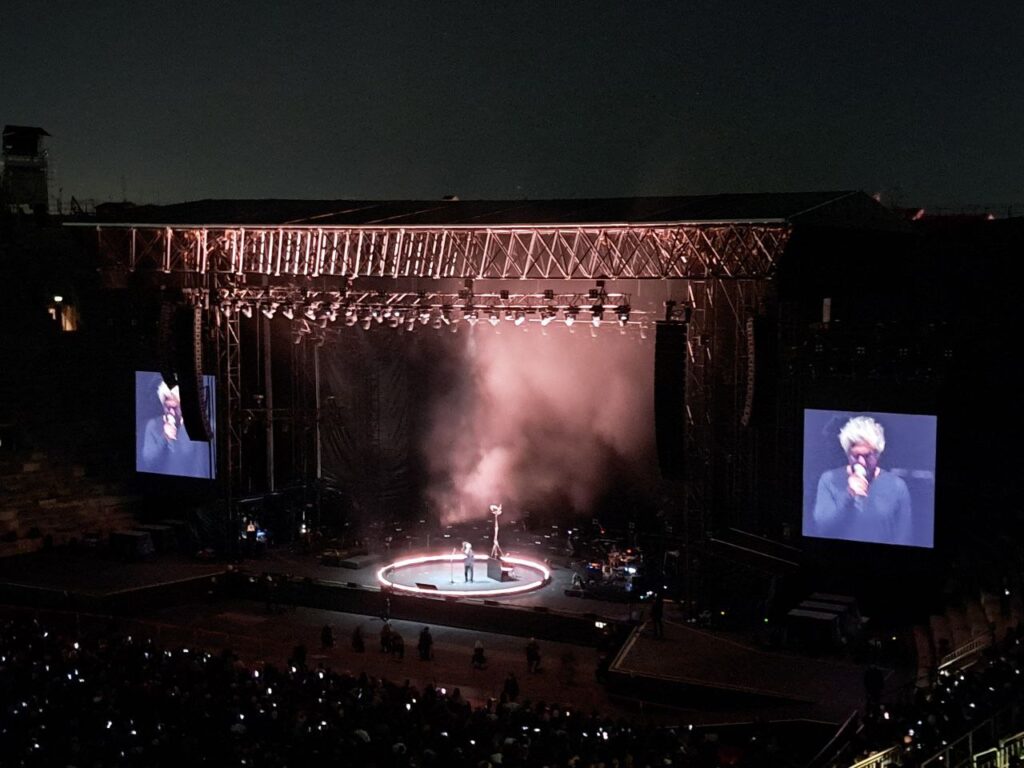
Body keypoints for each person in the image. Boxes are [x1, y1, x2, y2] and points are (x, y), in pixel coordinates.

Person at [811, 415, 913, 545]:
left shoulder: (897, 486)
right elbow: (822, 529)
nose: (861, 462)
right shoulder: (829, 480)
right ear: (848, 453)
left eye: (867, 456)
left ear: (877, 454)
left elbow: (903, 536)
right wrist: (849, 496)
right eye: (855, 456)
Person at [138, 377, 209, 478]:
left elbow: (201, 465)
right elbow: (148, 462)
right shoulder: (153, 425)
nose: (171, 411)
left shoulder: (195, 425)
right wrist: (164, 437)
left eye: (174, 407)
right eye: (167, 407)